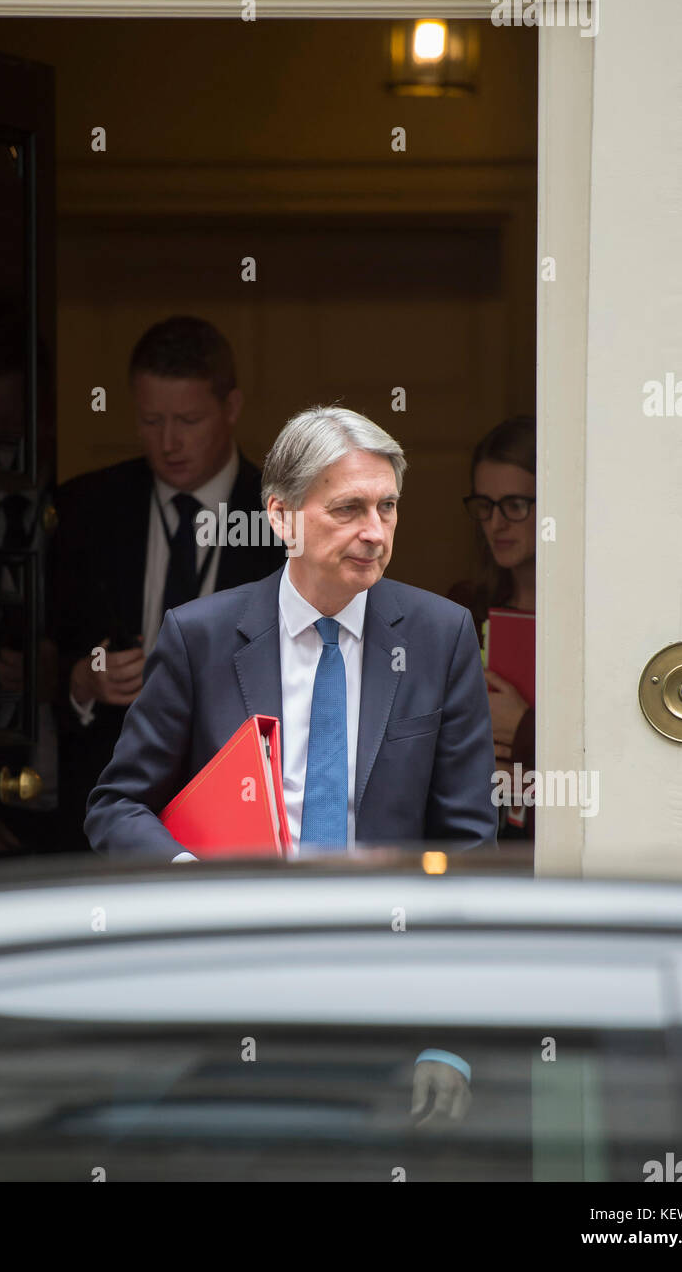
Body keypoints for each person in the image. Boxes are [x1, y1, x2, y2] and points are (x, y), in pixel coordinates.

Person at [86, 404, 497, 1125]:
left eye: (387, 507)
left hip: (385, 1003)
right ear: (281, 517)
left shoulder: (439, 636)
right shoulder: (200, 636)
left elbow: (465, 849)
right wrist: (191, 879)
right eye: (347, 509)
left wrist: (448, 1040)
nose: (374, 532)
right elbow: (116, 806)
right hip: (223, 989)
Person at [49, 317, 285, 848]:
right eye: (151, 420)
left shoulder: (286, 518)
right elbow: (37, 652)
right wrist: (81, 681)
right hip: (107, 801)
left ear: (232, 408)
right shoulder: (85, 507)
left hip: (246, 802)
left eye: (189, 419)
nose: (170, 442)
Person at [447, 416, 536, 841]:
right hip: (482, 834)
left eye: (515, 506)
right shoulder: (465, 607)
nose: (496, 524)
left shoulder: (596, 616)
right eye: (485, 505)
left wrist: (524, 734)